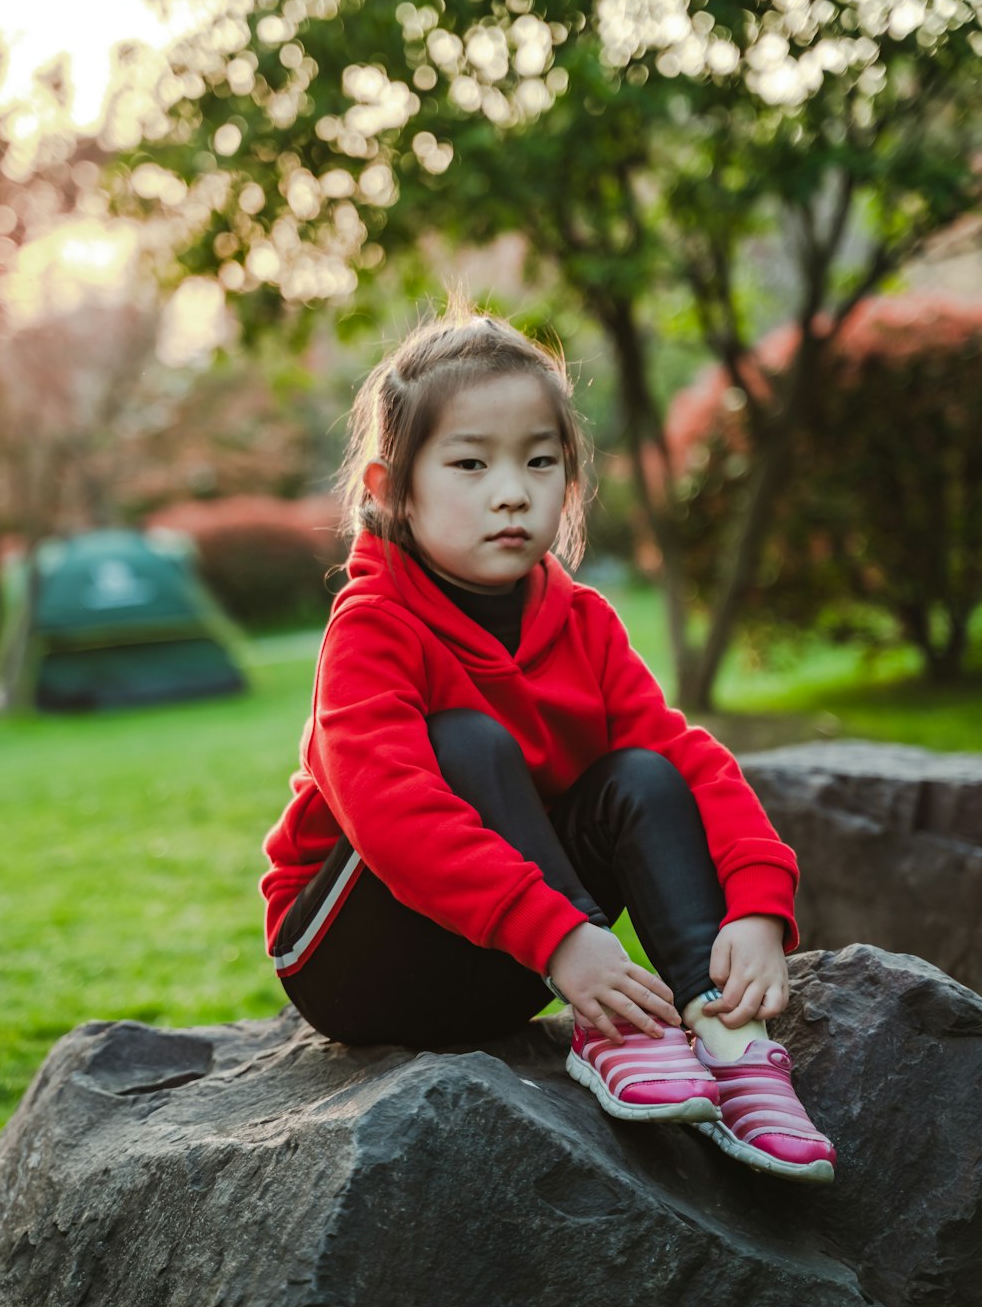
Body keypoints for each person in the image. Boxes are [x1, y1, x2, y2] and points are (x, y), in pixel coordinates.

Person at [261, 303, 836, 1185]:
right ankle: (621, 1028)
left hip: (509, 957)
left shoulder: (583, 622)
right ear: (387, 487)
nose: (511, 490)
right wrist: (566, 937)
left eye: (539, 460)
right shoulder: (373, 625)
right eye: (469, 462)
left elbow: (682, 757)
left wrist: (759, 902)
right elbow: (391, 813)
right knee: (468, 742)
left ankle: (728, 1035)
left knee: (639, 772)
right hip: (358, 957)